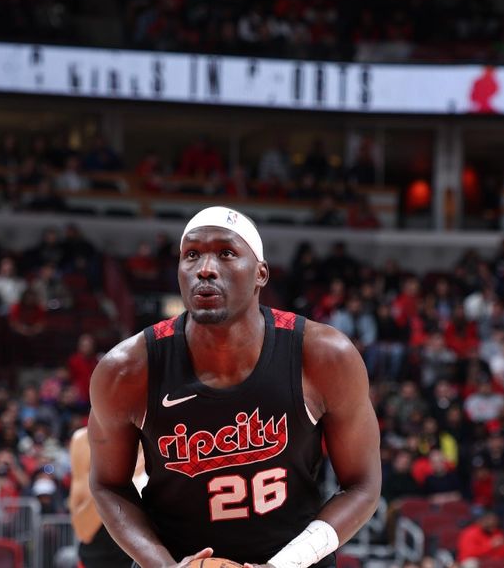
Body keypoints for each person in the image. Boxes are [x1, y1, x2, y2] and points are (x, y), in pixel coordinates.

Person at [88, 206, 381, 567]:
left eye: (226, 253)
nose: (205, 269)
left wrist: (285, 564)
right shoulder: (127, 369)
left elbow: (363, 485)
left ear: (261, 274)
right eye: (191, 255)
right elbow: (107, 484)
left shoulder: (323, 356)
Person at [70, 427, 142, 567]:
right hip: (101, 558)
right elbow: (84, 530)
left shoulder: (163, 435)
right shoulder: (84, 441)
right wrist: (120, 474)